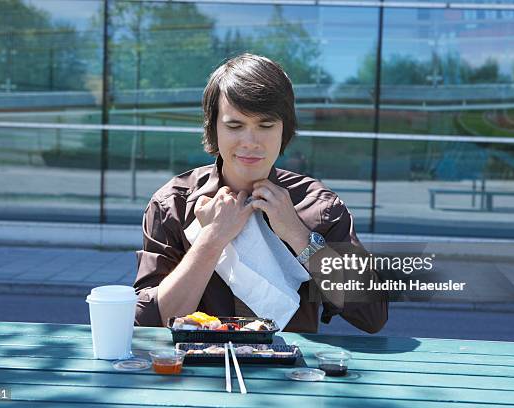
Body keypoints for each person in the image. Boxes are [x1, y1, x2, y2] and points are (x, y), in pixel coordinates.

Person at [134, 53, 388, 333]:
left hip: (289, 373)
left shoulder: (317, 205)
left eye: (265, 126)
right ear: (213, 128)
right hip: (197, 372)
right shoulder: (173, 204)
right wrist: (211, 239)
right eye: (234, 126)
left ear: (284, 129)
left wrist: (298, 235)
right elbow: (147, 324)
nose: (250, 142)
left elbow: (371, 315)